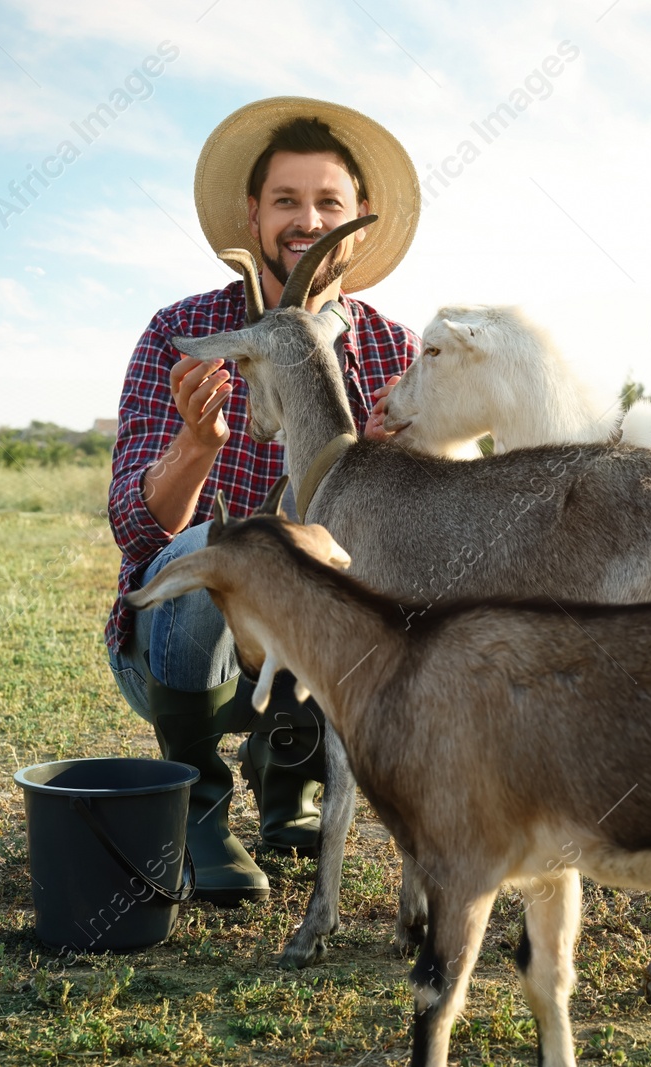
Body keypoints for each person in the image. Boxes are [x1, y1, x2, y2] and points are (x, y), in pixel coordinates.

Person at [105, 98, 420, 904]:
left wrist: (398, 475)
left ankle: (294, 773)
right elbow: (141, 534)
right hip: (181, 652)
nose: (305, 220)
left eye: (327, 204)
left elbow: (438, 540)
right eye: (286, 200)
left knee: (357, 548)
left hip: (321, 663)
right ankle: (199, 810)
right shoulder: (183, 330)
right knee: (236, 542)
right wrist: (194, 447)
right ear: (253, 213)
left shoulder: (396, 350)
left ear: (358, 222)